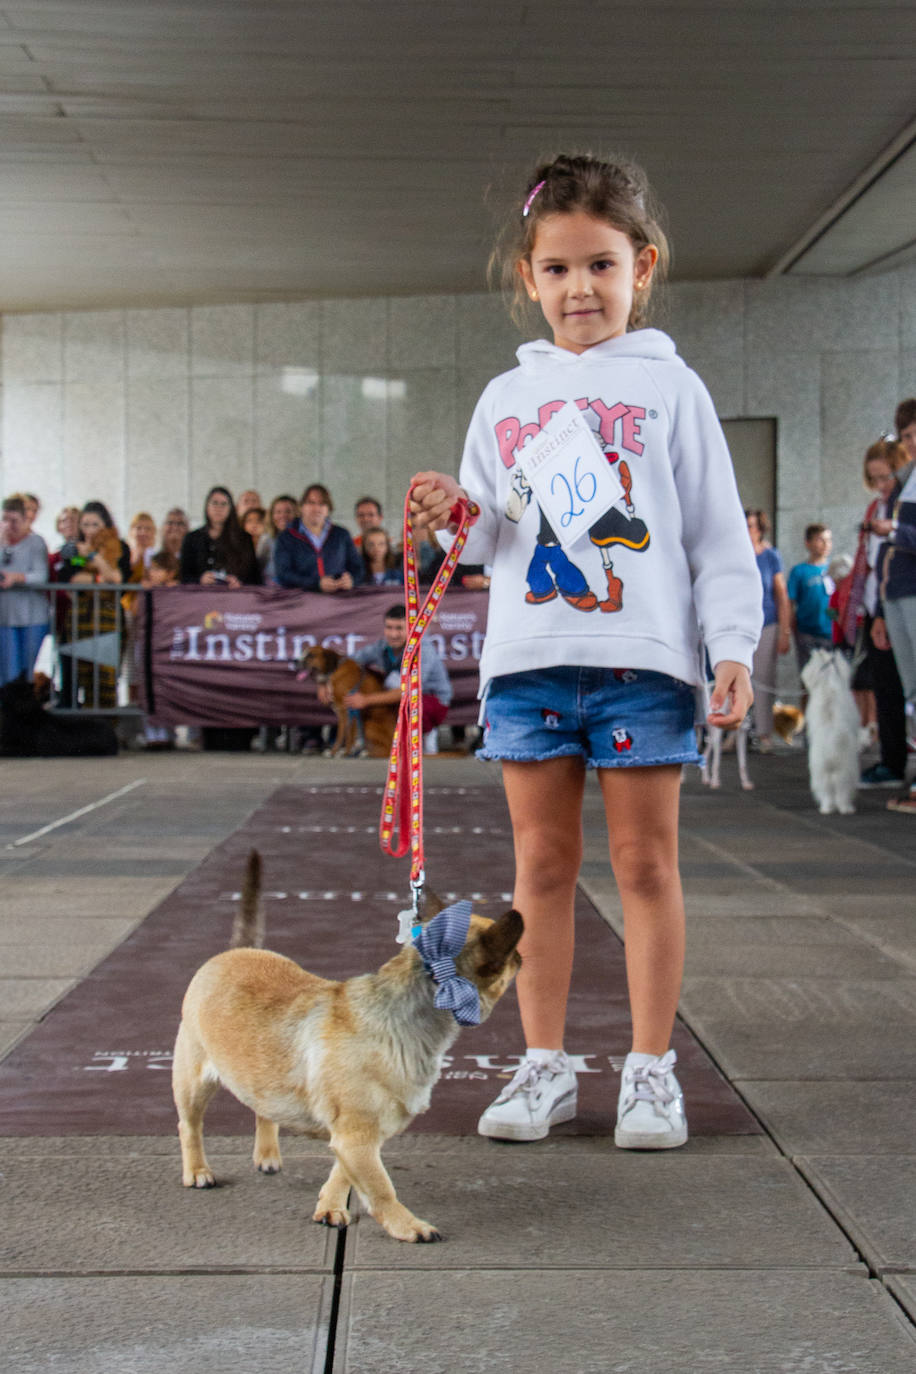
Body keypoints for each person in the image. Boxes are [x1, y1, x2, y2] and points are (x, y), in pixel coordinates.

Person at [410, 152, 760, 1148]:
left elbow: (712, 537)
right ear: (528, 276)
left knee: (647, 868)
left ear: (641, 267)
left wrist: (727, 645)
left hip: (642, 664)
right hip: (528, 663)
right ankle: (544, 1065)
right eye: (558, 269)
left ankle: (651, 1071)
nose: (580, 289)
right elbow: (484, 542)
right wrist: (450, 516)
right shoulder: (501, 401)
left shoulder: (674, 391)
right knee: (541, 871)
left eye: (601, 266)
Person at [843, 439, 909, 788]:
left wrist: (881, 612)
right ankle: (891, 760)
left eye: (885, 477)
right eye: (875, 479)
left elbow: (891, 564)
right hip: (875, 607)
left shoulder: (902, 507)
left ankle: (895, 761)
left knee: (902, 689)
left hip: (893, 604)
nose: (881, 485)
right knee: (886, 689)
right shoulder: (876, 508)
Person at [876, 399, 916, 814]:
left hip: (911, 590)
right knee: (912, 693)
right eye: (905, 436)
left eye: (912, 434)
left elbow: (904, 538)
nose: (910, 442)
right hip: (897, 593)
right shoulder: (907, 480)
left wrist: (898, 532)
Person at [343, 602, 451, 753]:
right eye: (389, 627)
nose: (393, 634)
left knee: (408, 705)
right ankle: (365, 741)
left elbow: (408, 691)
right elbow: (349, 662)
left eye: (399, 628)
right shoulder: (381, 647)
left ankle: (426, 734)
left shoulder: (423, 649)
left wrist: (366, 700)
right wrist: (324, 682)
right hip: (396, 698)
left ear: (411, 628)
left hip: (429, 699)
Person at [66, 501, 130, 709]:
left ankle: (106, 732)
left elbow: (118, 577)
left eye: (95, 524)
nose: (90, 530)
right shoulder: (74, 552)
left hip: (109, 622)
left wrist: (94, 557)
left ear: (106, 525)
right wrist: (101, 579)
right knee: (84, 678)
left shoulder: (120, 548)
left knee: (106, 680)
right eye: (85, 524)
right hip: (80, 621)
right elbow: (73, 579)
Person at [745, 509, 790, 752]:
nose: (748, 531)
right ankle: (736, 734)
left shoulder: (771, 556)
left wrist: (784, 632)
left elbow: (781, 595)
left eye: (752, 526)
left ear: (761, 529)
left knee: (762, 681)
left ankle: (763, 734)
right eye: (745, 526)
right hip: (740, 625)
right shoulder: (736, 553)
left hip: (767, 624)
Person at [274, 483, 362, 593]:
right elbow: (283, 574)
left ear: (328, 509)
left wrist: (352, 580)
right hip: (301, 600)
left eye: (322, 504)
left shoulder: (341, 534)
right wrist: (316, 583)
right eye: (311, 503)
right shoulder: (286, 537)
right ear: (301, 507)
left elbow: (358, 568)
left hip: (339, 599)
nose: (316, 508)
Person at [0, 496, 50, 686]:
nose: (9, 526)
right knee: (7, 673)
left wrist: (16, 578)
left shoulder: (36, 542)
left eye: (14, 521)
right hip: (4, 619)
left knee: (24, 674)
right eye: (5, 520)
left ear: (25, 520)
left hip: (31, 618)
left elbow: (40, 576)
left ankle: (21, 713)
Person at [179, 486, 261, 587]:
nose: (218, 508)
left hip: (234, 598)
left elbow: (255, 578)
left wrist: (239, 582)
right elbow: (184, 577)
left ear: (231, 509)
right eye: (215, 503)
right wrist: (200, 579)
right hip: (200, 598)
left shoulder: (244, 539)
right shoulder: (191, 538)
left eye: (223, 504)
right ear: (207, 507)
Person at [787, 524, 834, 682]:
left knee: (831, 680)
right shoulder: (799, 571)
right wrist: (789, 630)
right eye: (821, 540)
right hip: (806, 633)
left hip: (831, 633)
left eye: (828, 540)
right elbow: (790, 602)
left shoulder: (834, 569)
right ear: (808, 543)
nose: (826, 544)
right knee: (808, 679)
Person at [257, 493, 299, 584]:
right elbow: (258, 566)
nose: (283, 516)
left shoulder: (304, 540)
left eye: (288, 511)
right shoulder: (266, 539)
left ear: (297, 514)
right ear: (272, 515)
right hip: (270, 586)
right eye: (278, 512)